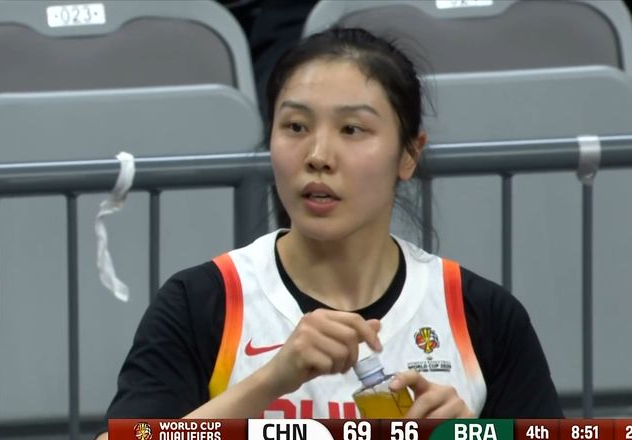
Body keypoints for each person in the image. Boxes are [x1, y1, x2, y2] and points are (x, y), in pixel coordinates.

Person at [97, 27, 562, 437]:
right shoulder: (202, 302)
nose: (318, 155)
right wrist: (271, 380)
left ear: (409, 154)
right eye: (295, 126)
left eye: (352, 129)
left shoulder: (482, 314)